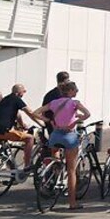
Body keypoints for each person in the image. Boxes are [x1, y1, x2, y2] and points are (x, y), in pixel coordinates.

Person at [32, 81, 90, 210]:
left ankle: (55, 171)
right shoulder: (75, 103)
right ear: (70, 92)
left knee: (56, 156)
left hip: (55, 134)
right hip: (69, 135)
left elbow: (35, 112)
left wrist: (48, 120)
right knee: (71, 170)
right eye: (75, 90)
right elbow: (87, 114)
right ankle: (72, 203)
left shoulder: (54, 103)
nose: (77, 92)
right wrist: (78, 118)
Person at [0, 84, 44, 194]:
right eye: (23, 92)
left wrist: (22, 125)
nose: (24, 93)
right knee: (29, 138)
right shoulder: (16, 99)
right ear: (18, 92)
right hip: (3, 130)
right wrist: (42, 122)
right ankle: (27, 165)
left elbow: (17, 115)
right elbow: (30, 112)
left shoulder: (5, 100)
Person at [41, 71, 70, 156]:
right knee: (69, 145)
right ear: (66, 80)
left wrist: (47, 121)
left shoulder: (49, 94)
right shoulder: (63, 95)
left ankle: (54, 165)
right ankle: (61, 165)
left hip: (50, 122)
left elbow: (43, 111)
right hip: (60, 123)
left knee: (55, 145)